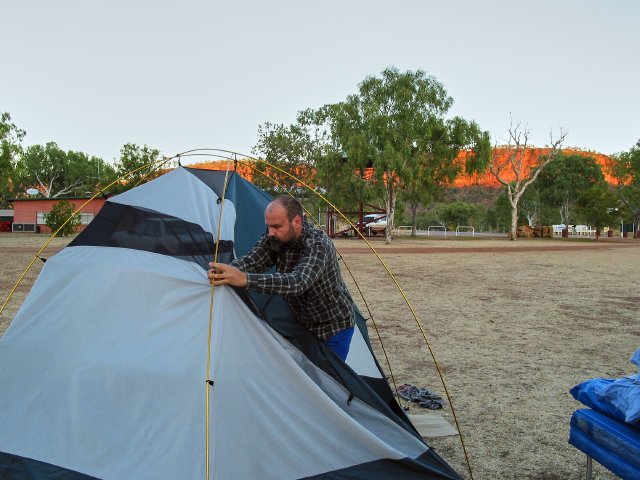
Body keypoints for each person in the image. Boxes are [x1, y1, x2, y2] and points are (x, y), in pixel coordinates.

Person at [208, 195, 356, 361]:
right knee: (306, 377)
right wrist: (226, 271)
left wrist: (245, 279)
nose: (271, 232)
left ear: (297, 222)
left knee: (329, 380)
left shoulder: (318, 244)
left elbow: (298, 282)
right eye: (268, 226)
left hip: (334, 326)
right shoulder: (274, 237)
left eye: (277, 226)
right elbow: (253, 261)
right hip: (303, 324)